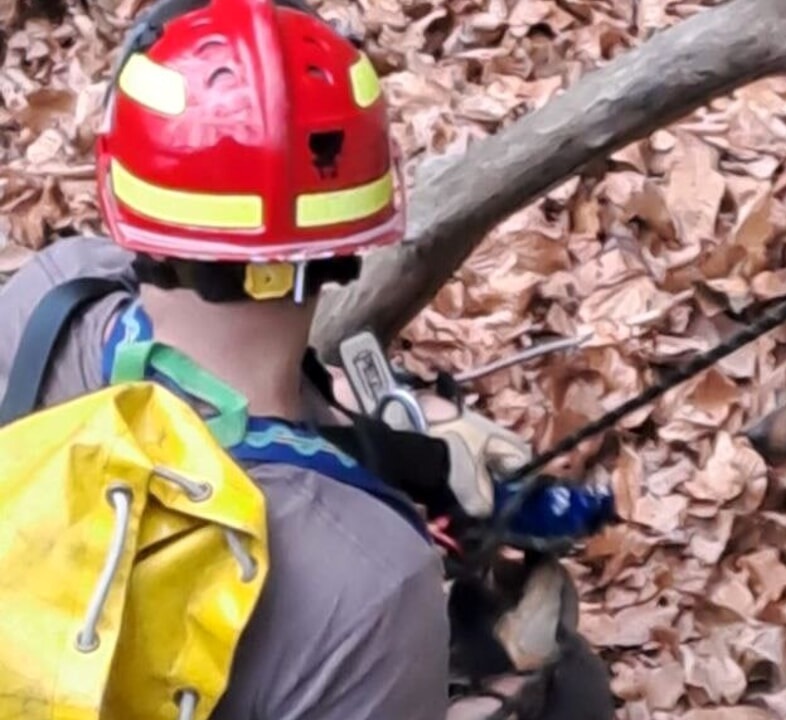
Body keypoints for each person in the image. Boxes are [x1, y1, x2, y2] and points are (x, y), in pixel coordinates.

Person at [0, 0, 613, 717]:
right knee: (571, 691)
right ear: (350, 238)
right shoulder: (374, 581)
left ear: (123, 189)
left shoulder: (48, 299)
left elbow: (210, 388)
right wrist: (503, 694)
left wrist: (412, 436)